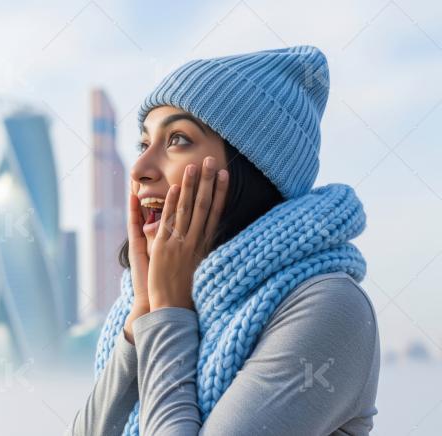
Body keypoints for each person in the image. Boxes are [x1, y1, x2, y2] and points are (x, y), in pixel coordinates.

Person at [70, 45, 380, 435]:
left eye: (178, 139)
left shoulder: (331, 306)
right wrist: (140, 321)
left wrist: (167, 313)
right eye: (143, 143)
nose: (140, 169)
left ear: (250, 167)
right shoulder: (142, 305)